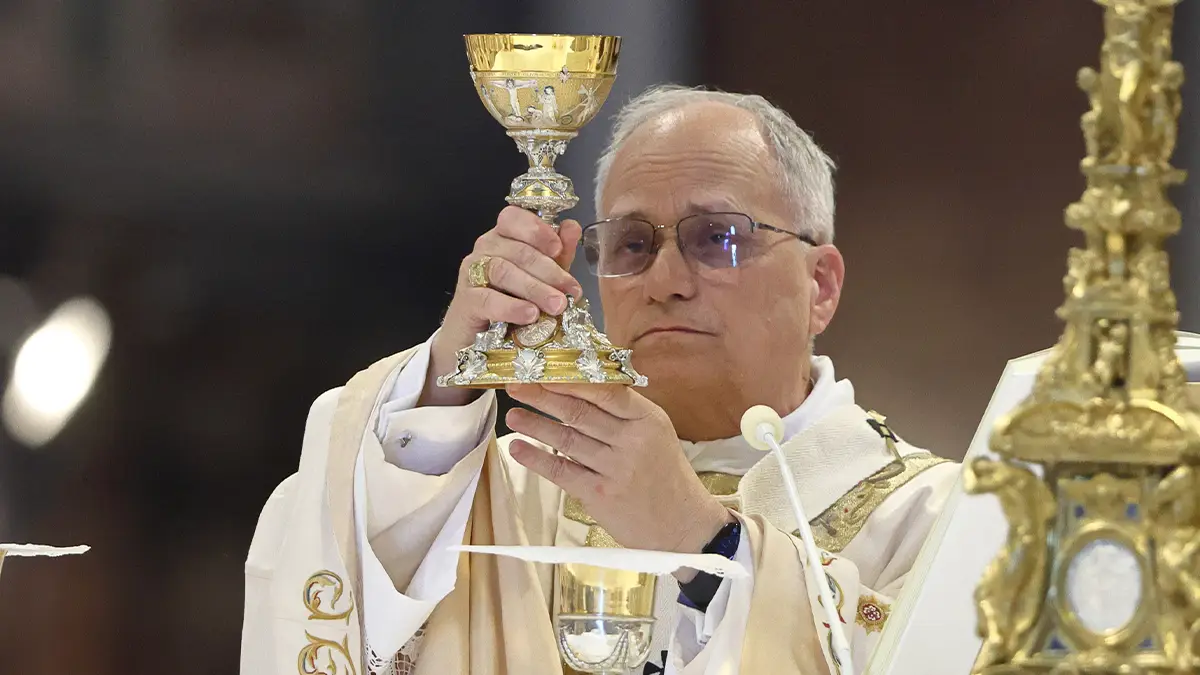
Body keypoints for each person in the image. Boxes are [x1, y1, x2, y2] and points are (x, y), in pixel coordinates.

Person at [241, 85, 960, 675]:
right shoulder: (514, 494)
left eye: (719, 237)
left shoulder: (936, 516)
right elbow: (338, 578)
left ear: (821, 286)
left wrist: (703, 541)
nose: (666, 281)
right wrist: (446, 382)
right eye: (632, 244)